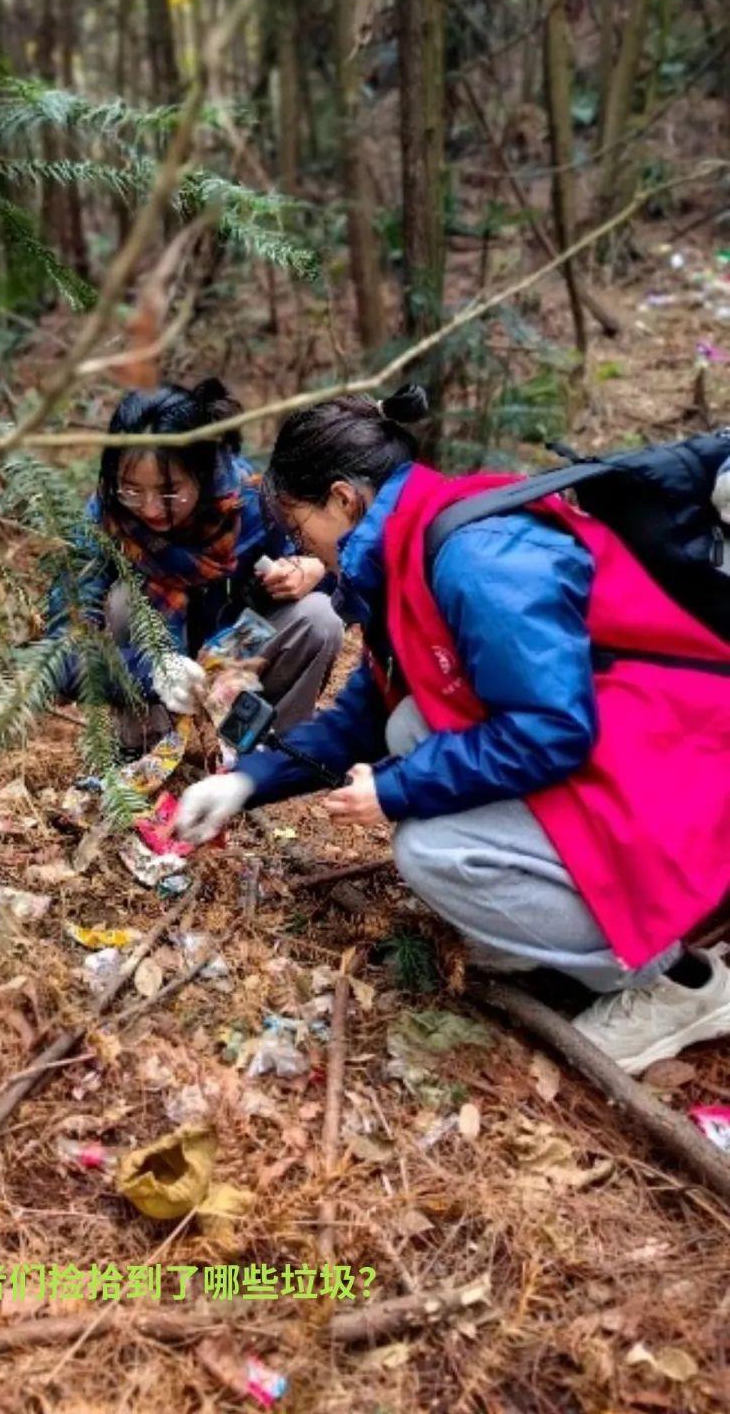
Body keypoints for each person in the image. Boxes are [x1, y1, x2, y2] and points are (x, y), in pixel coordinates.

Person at [176, 388, 730, 1074]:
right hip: (629, 753)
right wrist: (244, 781)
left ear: (343, 500)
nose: (299, 546)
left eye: (298, 524)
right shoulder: (414, 549)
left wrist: (395, 790)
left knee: (432, 851)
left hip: (681, 769)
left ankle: (670, 981)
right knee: (411, 723)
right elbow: (369, 715)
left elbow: (552, 730)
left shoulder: (477, 559)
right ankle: (544, 930)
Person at [48, 378, 344, 748]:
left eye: (170, 492)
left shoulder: (253, 500)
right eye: (132, 490)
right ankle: (147, 743)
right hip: (156, 666)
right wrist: (152, 672)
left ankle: (263, 752)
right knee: (125, 600)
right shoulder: (105, 516)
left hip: (238, 651)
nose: (151, 509)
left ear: (201, 475)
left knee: (319, 617)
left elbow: (349, 576)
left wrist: (315, 571)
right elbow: (59, 651)